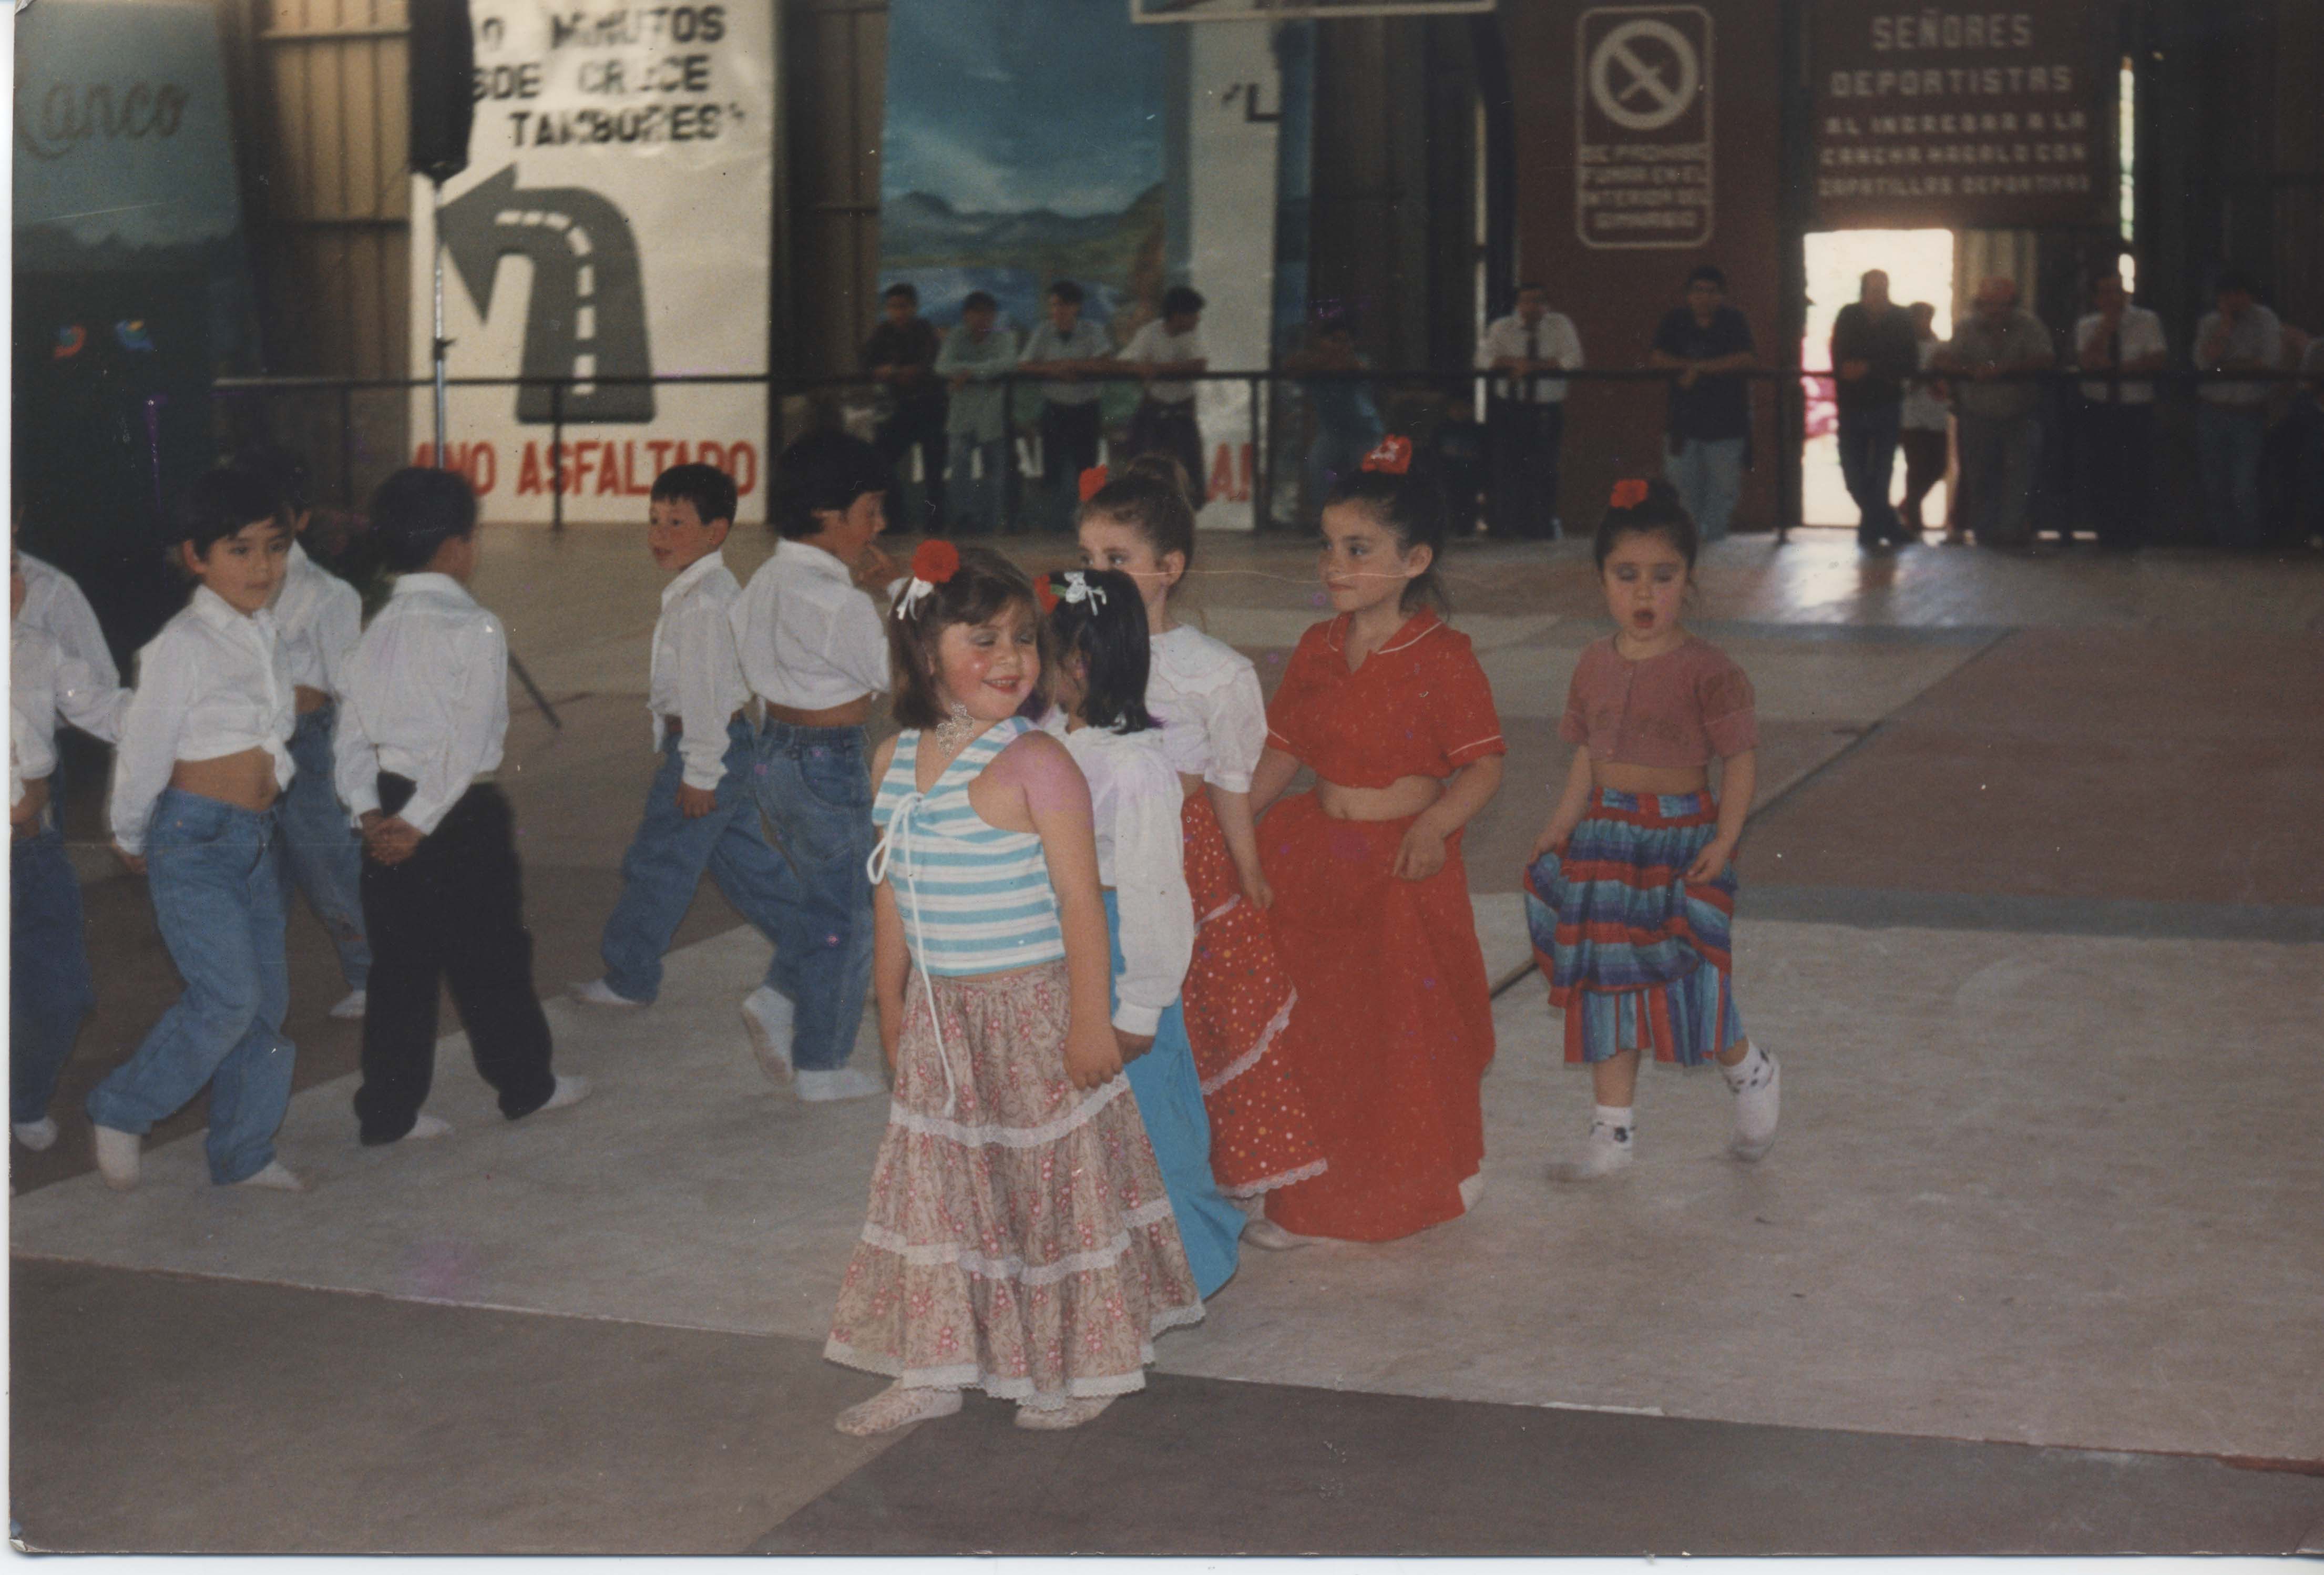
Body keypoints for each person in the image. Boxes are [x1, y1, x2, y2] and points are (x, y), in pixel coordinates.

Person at [827, 542, 1202, 1436]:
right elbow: (890, 899)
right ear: (925, 653)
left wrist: (1089, 1022)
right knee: (941, 1189)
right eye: (983, 638)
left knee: (1050, 1190)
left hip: (1031, 1013)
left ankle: (1091, 1361)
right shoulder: (892, 761)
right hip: (942, 1018)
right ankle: (934, 1364)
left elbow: (1081, 905)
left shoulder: (1037, 761)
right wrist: (893, 1009)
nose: (1012, 659)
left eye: (1025, 640)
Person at [1247, 439, 1507, 1242]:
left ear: (1414, 559)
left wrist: (1433, 824)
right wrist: (1234, 831)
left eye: (1357, 550)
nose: (1334, 565)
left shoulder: (1444, 658)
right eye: (1328, 546)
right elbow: (1283, 750)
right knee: (1318, 1031)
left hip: (1399, 870)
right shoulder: (1318, 647)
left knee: (1410, 1033)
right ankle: (1310, 1192)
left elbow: (1482, 768)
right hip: (1315, 862)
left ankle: (1435, 1170)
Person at [1077, 458, 1327, 1240]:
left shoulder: (1214, 672)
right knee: (1112, 1013)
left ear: (1168, 568)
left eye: (1116, 560)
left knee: (1209, 1018)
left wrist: (1246, 866)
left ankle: (1230, 1186)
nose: (1098, 575)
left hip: (1186, 862)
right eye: (1088, 560)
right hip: (1093, 864)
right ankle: (1124, 1181)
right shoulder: (1070, 653)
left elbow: (1229, 777)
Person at [1523, 478, 1777, 1179]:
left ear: (1688, 582)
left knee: (1690, 978)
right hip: (1606, 841)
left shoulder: (1711, 671)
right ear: (1601, 579)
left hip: (1683, 842)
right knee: (1604, 982)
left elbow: (1740, 763)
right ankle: (1613, 1134)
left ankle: (1749, 1071)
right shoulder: (1591, 663)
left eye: (1663, 578)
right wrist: (1560, 823)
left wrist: (1724, 841)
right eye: (1626, 576)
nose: (1644, 595)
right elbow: (1587, 753)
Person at [333, 467, 588, 1148]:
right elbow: (469, 738)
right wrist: (420, 823)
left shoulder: (373, 632)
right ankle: (526, 1086)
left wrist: (370, 815)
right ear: (455, 547)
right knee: (492, 958)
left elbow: (351, 737)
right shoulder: (474, 625)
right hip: (457, 814)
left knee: (400, 968)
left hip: (386, 812)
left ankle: (388, 1111)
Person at [86, 468, 305, 1193]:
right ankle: (122, 1107)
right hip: (194, 841)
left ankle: (244, 1153)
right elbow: (147, 743)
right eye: (239, 551)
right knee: (229, 998)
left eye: (274, 549)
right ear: (196, 558)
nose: (262, 568)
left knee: (266, 1005)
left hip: (256, 841)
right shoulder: (182, 644)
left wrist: (275, 767)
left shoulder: (264, 631)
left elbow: (273, 723)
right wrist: (130, 830)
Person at [1036, 565, 1244, 1297]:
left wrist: (1139, 1006)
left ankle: (1192, 1261)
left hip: (1124, 952)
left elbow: (1159, 895)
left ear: (1081, 664)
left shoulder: (1135, 766)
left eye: (1043, 656)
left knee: (1152, 1120)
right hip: (1064, 941)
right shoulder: (1046, 739)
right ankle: (1111, 1262)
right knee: (1085, 1120)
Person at [571, 464, 803, 1085]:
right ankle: (826, 955)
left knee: (660, 861)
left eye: (677, 522)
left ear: (716, 530)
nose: (659, 533)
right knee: (751, 869)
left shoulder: (703, 604)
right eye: (654, 520)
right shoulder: (704, 592)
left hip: (707, 750)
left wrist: (699, 770)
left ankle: (630, 976)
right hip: (722, 748)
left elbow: (707, 697)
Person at [723, 431, 900, 1100]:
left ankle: (779, 998)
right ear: (828, 515)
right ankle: (820, 1064)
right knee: (851, 916)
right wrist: (901, 597)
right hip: (828, 764)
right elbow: (896, 677)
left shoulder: (767, 578)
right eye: (869, 511)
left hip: (774, 756)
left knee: (829, 899)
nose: (877, 526)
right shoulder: (840, 602)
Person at [236, 442, 371, 1019]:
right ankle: (252, 991)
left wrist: (355, 783)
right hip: (246, 747)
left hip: (309, 746)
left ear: (302, 519)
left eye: (279, 524)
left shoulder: (327, 594)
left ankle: (375, 974)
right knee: (255, 876)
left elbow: (347, 687)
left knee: (329, 867)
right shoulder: (229, 590)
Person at [12, 556, 125, 1152]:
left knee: (62, 992)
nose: (14, 585)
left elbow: (100, 706)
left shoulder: (36, 648)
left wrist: (172, 712)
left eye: (12, 567)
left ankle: (22, 1098)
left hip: (36, 851)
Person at [1937, 277, 2055, 550]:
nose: (1995, 310)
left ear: (2013, 303)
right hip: (1977, 414)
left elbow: (2045, 358)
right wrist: (1971, 372)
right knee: (1980, 476)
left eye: (2002, 304)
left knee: (2021, 477)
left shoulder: (2029, 325)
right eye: (1989, 304)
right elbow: (1946, 358)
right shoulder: (1966, 327)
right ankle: (1986, 534)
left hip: (2021, 413)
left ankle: (2010, 532)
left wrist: (2005, 369)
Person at [1649, 264, 1757, 541]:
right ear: (1688, 294)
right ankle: (1690, 544)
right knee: (1683, 489)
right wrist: (1696, 366)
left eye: (1712, 292)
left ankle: (1715, 541)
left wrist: (1697, 370)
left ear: (1722, 296)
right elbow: (1657, 358)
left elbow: (1746, 358)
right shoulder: (1675, 321)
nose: (1704, 297)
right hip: (1683, 422)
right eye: (1698, 291)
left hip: (1727, 423)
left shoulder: (1734, 321)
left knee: (1724, 488)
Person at [1476, 283, 1583, 539]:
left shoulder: (1560, 326)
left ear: (1547, 305)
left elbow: (1574, 360)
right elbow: (1482, 359)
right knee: (1508, 469)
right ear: (1517, 304)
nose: (1531, 307)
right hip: (1510, 409)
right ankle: (1507, 530)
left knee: (1545, 468)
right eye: (1526, 301)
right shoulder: (1502, 327)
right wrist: (1515, 363)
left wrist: (1534, 368)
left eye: (1538, 301)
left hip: (1546, 409)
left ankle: (1541, 528)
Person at [2073, 271, 2169, 552]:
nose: (2113, 298)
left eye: (2118, 291)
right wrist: (2106, 329)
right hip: (2099, 404)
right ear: (2096, 298)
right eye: (2105, 292)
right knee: (2102, 470)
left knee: (2136, 470)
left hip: (2135, 404)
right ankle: (2107, 533)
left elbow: (2156, 359)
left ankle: (2135, 534)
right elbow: (2088, 362)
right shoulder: (2087, 325)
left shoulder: (2146, 320)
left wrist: (2115, 370)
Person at [1828, 269, 1921, 549]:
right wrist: (1852, 370)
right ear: (1863, 290)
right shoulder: (1848, 315)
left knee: (1881, 475)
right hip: (1852, 406)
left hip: (1886, 405)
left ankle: (1872, 532)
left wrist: (1868, 367)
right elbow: (1839, 355)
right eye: (1873, 288)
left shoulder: (1902, 318)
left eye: (1883, 287)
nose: (1879, 293)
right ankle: (1890, 526)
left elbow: (1908, 362)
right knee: (1853, 476)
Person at [2193, 270, 2285, 549]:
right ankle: (2225, 544)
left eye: (2238, 294)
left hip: (2248, 413)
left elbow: (2268, 363)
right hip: (2213, 410)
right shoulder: (2210, 323)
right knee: (2214, 485)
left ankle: (2250, 546)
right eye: (2226, 295)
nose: (2233, 300)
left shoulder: (2265, 320)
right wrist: (2225, 327)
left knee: (2244, 485)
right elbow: (2203, 363)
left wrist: (2224, 367)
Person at [1016, 280, 1114, 532]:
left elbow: (1105, 363)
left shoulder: (1093, 331)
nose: (1056, 311)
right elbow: (1025, 364)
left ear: (1076, 307)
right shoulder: (1043, 331)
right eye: (1053, 305)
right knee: (1052, 468)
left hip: (1086, 408)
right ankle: (1054, 525)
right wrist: (1056, 370)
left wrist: (1075, 365)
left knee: (1087, 469)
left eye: (1061, 305)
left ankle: (1090, 525)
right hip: (1055, 408)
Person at [862, 282, 946, 534]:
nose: (898, 312)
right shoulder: (882, 332)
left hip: (932, 408)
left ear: (914, 307)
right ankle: (895, 521)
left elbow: (925, 367)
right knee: (880, 458)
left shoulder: (925, 331)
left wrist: (894, 372)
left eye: (903, 307)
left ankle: (935, 523)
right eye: (892, 307)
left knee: (934, 469)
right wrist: (885, 372)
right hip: (901, 411)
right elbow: (867, 365)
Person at [1283, 310, 1385, 515]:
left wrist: (1320, 365)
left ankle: (1367, 520)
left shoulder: (1360, 360)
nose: (1341, 346)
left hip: (1364, 431)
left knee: (1366, 480)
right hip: (1332, 432)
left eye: (1346, 341)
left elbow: (1352, 366)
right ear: (1321, 342)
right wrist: (1320, 362)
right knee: (1317, 465)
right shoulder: (1313, 363)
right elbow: (1290, 365)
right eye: (1334, 341)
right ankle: (1326, 517)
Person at [933, 290, 1017, 536]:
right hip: (961, 414)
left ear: (994, 316)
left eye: (987, 313)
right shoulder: (957, 337)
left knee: (996, 472)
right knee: (959, 468)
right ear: (966, 315)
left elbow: (1008, 363)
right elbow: (941, 367)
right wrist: (984, 374)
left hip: (992, 415)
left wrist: (967, 374)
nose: (982, 318)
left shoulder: (1004, 337)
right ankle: (962, 519)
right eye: (976, 312)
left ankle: (993, 523)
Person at [1122, 285, 1211, 508]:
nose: (1198, 320)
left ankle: (1189, 508)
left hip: (1183, 407)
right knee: (1142, 459)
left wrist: (1159, 369)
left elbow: (1199, 365)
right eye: (1193, 314)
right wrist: (1142, 369)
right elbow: (1128, 362)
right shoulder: (1149, 333)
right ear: (1178, 315)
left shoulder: (1192, 337)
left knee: (1191, 464)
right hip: (1154, 405)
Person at [1898, 303, 1953, 539]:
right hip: (1911, 416)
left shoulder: (1942, 347)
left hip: (1936, 414)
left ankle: (1907, 505)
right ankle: (1914, 518)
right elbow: (1905, 386)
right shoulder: (1902, 350)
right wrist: (1927, 371)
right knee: (1917, 466)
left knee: (1939, 465)